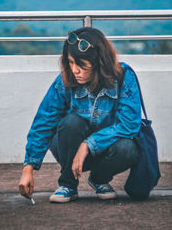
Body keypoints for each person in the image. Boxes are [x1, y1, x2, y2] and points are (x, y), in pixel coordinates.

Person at [18, 27, 143, 203]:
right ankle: (68, 184)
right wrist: (28, 168)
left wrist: (88, 144)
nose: (75, 70)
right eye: (70, 62)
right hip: (69, 148)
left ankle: (99, 178)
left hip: (107, 151)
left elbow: (129, 124)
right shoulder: (64, 81)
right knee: (71, 123)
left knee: (128, 148)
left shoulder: (123, 77)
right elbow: (44, 121)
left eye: (81, 65)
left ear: (99, 62)